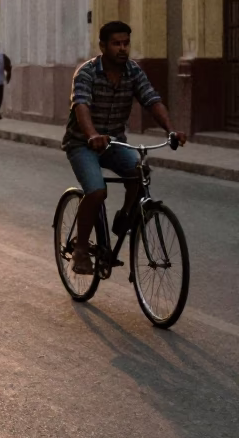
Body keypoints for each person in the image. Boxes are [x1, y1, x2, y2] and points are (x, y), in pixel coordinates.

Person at [62, 20, 186, 275]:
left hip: (115, 142)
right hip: (82, 143)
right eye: (116, 43)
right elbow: (81, 105)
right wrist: (92, 135)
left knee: (140, 173)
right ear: (103, 46)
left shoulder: (133, 72)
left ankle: (126, 215)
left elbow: (152, 100)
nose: (122, 48)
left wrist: (170, 130)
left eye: (126, 43)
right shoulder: (86, 72)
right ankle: (82, 249)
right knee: (96, 191)